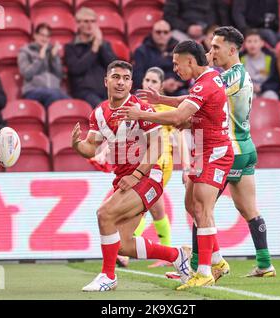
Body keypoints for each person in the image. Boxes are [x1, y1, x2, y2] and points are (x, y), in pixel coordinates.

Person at [137, 27, 276, 279]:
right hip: (244, 145)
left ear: (232, 50)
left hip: (227, 146)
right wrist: (165, 99)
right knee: (247, 210)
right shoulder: (233, 75)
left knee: (199, 206)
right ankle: (265, 264)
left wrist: (201, 67)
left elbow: (199, 94)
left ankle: (200, 265)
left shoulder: (228, 77)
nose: (211, 52)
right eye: (209, 48)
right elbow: (195, 97)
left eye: (215, 48)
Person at [121, 41, 234, 290]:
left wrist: (143, 114)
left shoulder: (205, 83)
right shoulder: (208, 79)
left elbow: (177, 117)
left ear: (190, 61)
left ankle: (204, 271)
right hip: (202, 151)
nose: (174, 68)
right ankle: (217, 261)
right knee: (191, 206)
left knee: (203, 210)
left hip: (214, 153)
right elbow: (188, 101)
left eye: (176, 63)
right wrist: (161, 98)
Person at [71, 60, 191, 292]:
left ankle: (108, 276)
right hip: (126, 179)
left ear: (131, 83)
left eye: (126, 78)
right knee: (124, 245)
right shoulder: (100, 113)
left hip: (148, 176)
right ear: (106, 81)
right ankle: (178, 256)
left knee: (104, 214)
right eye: (116, 77)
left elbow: (157, 146)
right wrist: (76, 145)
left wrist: (136, 175)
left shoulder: (141, 108)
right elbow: (91, 148)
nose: (121, 82)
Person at [119, 67, 191, 269]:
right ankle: (169, 254)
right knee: (155, 208)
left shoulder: (164, 109)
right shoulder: (133, 106)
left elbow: (180, 139)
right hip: (140, 162)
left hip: (160, 164)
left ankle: (124, 249)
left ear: (159, 86)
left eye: (153, 82)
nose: (149, 85)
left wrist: (186, 168)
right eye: (147, 80)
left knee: (139, 205)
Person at [65, 7, 117, 108]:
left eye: (92, 21)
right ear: (78, 24)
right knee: (104, 109)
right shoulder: (71, 47)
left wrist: (100, 45)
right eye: (86, 21)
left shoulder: (103, 44)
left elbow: (113, 66)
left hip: (106, 90)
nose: (90, 25)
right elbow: (76, 69)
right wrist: (94, 49)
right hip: (84, 92)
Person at [18, 23, 69, 108]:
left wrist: (53, 58)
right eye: (42, 35)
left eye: (47, 36)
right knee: (54, 95)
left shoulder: (52, 51)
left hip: (54, 90)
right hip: (32, 90)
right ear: (35, 35)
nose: (44, 39)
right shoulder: (25, 51)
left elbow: (59, 75)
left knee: (71, 102)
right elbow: (26, 74)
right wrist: (40, 59)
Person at [133, 20, 186, 96]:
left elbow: (185, 72)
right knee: (139, 95)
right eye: (158, 32)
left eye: (165, 32)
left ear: (170, 34)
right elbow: (137, 78)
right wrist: (161, 85)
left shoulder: (179, 50)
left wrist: (176, 83)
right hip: (149, 89)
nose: (162, 35)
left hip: (174, 90)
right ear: (152, 33)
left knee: (186, 96)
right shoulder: (141, 51)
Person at [163, 0, 231, 43]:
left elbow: (221, 15)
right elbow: (169, 16)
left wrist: (206, 29)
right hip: (181, 32)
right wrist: (187, 28)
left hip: (207, 33)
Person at [240, 29, 280, 100]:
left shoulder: (271, 58)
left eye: (255, 41)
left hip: (266, 89)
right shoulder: (240, 59)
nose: (252, 44)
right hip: (247, 90)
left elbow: (275, 81)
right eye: (249, 41)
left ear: (262, 43)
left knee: (272, 96)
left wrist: (262, 88)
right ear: (245, 44)